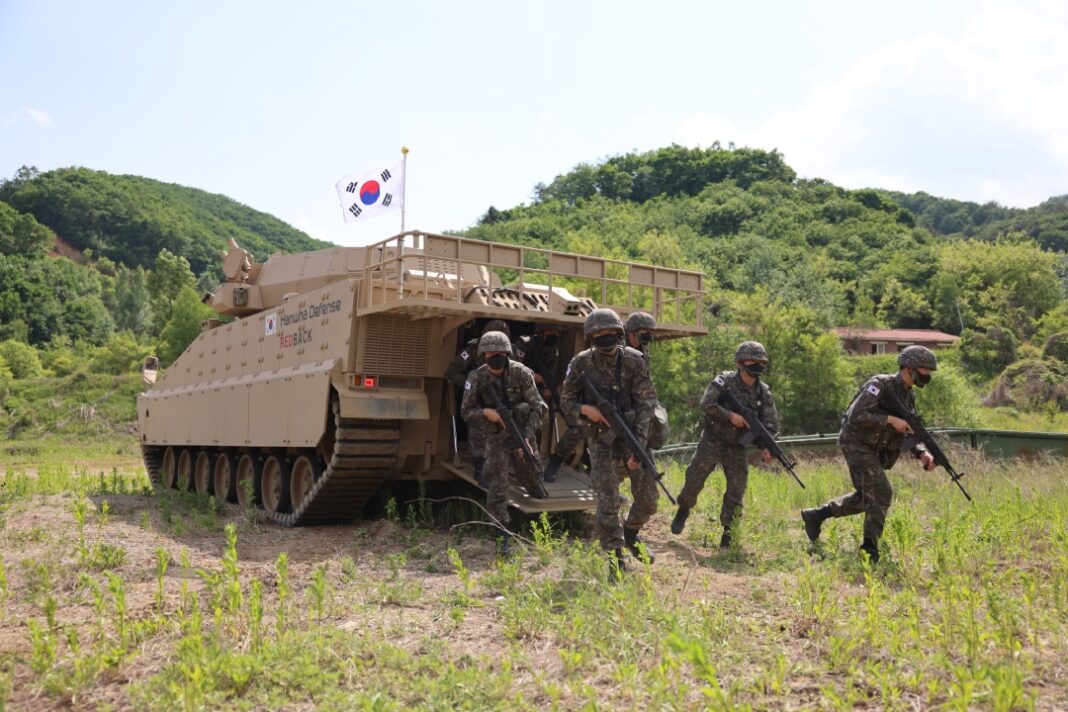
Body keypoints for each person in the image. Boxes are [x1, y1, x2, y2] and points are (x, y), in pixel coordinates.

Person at [800, 345, 938, 564]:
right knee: (882, 492)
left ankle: (817, 515)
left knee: (868, 498)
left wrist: (922, 453)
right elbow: (857, 415)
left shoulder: (908, 395)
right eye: (924, 370)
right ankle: (869, 552)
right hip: (856, 443)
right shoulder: (879, 385)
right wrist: (890, 420)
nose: (927, 375)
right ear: (909, 368)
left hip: (874, 449)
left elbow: (908, 429)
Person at [560, 308, 658, 580]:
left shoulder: (634, 361)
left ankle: (631, 533)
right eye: (599, 335)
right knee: (608, 502)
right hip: (601, 441)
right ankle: (616, 560)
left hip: (634, 436)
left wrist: (637, 446)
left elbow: (646, 404)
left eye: (610, 333)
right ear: (591, 337)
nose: (605, 338)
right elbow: (566, 402)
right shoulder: (580, 363)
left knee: (649, 500)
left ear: (619, 333)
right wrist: (587, 411)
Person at [670, 341, 779, 549]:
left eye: (761, 362)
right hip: (713, 440)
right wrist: (731, 416)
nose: (758, 365)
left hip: (737, 446)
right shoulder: (724, 382)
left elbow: (771, 424)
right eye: (753, 361)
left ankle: (729, 533)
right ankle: (684, 508)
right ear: (740, 362)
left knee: (737, 490)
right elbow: (706, 405)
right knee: (694, 479)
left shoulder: (763, 392)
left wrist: (768, 446)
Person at [461, 330, 547, 555]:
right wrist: (487, 413)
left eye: (500, 352)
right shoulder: (476, 378)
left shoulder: (522, 374)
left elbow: (539, 408)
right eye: (491, 353)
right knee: (497, 485)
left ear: (508, 353)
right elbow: (466, 412)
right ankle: (502, 533)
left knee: (532, 477)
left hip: (522, 434)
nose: (495, 356)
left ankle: (546, 521)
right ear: (483, 355)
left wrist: (527, 438)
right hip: (495, 438)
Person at [624, 312, 669, 450]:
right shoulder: (619, 349)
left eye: (650, 331)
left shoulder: (643, 351)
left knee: (659, 421)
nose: (648, 334)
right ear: (632, 331)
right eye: (645, 331)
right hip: (621, 398)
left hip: (638, 397)